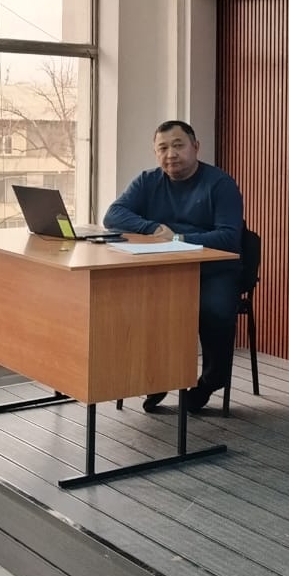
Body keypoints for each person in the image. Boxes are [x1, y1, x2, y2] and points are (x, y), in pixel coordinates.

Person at [104, 120, 243, 413]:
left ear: (196, 147)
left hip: (212, 269)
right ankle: (158, 377)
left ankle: (210, 381)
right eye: (163, 148)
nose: (171, 154)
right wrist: (153, 228)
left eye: (178, 145)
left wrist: (178, 238)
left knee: (214, 311)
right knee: (141, 306)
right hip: (166, 269)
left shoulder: (220, 184)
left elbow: (229, 238)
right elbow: (113, 215)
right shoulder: (148, 180)